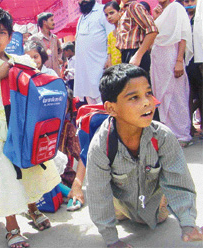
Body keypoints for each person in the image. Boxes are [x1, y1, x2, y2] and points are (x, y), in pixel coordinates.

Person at [86, 63, 203, 248]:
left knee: (160, 218)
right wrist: (112, 240)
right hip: (120, 206)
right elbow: (98, 195)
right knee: (116, 213)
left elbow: (178, 181)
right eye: (134, 97)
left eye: (148, 93)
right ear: (111, 108)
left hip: (156, 207)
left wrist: (188, 223)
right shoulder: (101, 147)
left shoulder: (163, 137)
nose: (147, 102)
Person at [0, 6, 61, 248]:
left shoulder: (20, 60)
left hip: (22, 126)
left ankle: (32, 209)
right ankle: (12, 226)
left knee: (28, 169)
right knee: (5, 175)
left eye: (2, 32)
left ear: (11, 36)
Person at [151, 0, 193, 147]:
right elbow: (154, 34)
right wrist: (156, 18)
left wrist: (179, 60)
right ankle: (168, 135)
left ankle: (182, 136)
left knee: (177, 96)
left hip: (172, 57)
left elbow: (182, 36)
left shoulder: (176, 8)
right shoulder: (161, 11)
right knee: (161, 97)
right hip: (158, 60)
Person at [74, 0, 114, 105]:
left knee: (104, 100)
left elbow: (112, 35)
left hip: (100, 66)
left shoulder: (103, 11)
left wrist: (109, 58)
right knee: (92, 105)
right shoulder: (81, 18)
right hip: (85, 71)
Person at [116, 0, 158, 73]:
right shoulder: (124, 8)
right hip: (126, 53)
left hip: (135, 52)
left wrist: (138, 55)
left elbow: (152, 30)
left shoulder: (134, 7)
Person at [184, 0, 202, 136]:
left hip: (199, 60)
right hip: (187, 63)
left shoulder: (199, 17)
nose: (189, 3)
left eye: (192, 0)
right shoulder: (182, 17)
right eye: (186, 1)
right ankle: (188, 127)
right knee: (188, 95)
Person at [29, 12, 62, 76]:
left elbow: (60, 50)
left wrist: (58, 59)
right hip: (42, 76)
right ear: (44, 22)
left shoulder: (54, 38)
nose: (54, 22)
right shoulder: (34, 38)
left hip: (56, 74)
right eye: (51, 20)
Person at [103, 1, 122, 68]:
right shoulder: (110, 35)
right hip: (115, 70)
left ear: (120, 12)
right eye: (106, 15)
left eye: (111, 13)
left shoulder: (125, 31)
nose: (109, 17)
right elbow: (110, 55)